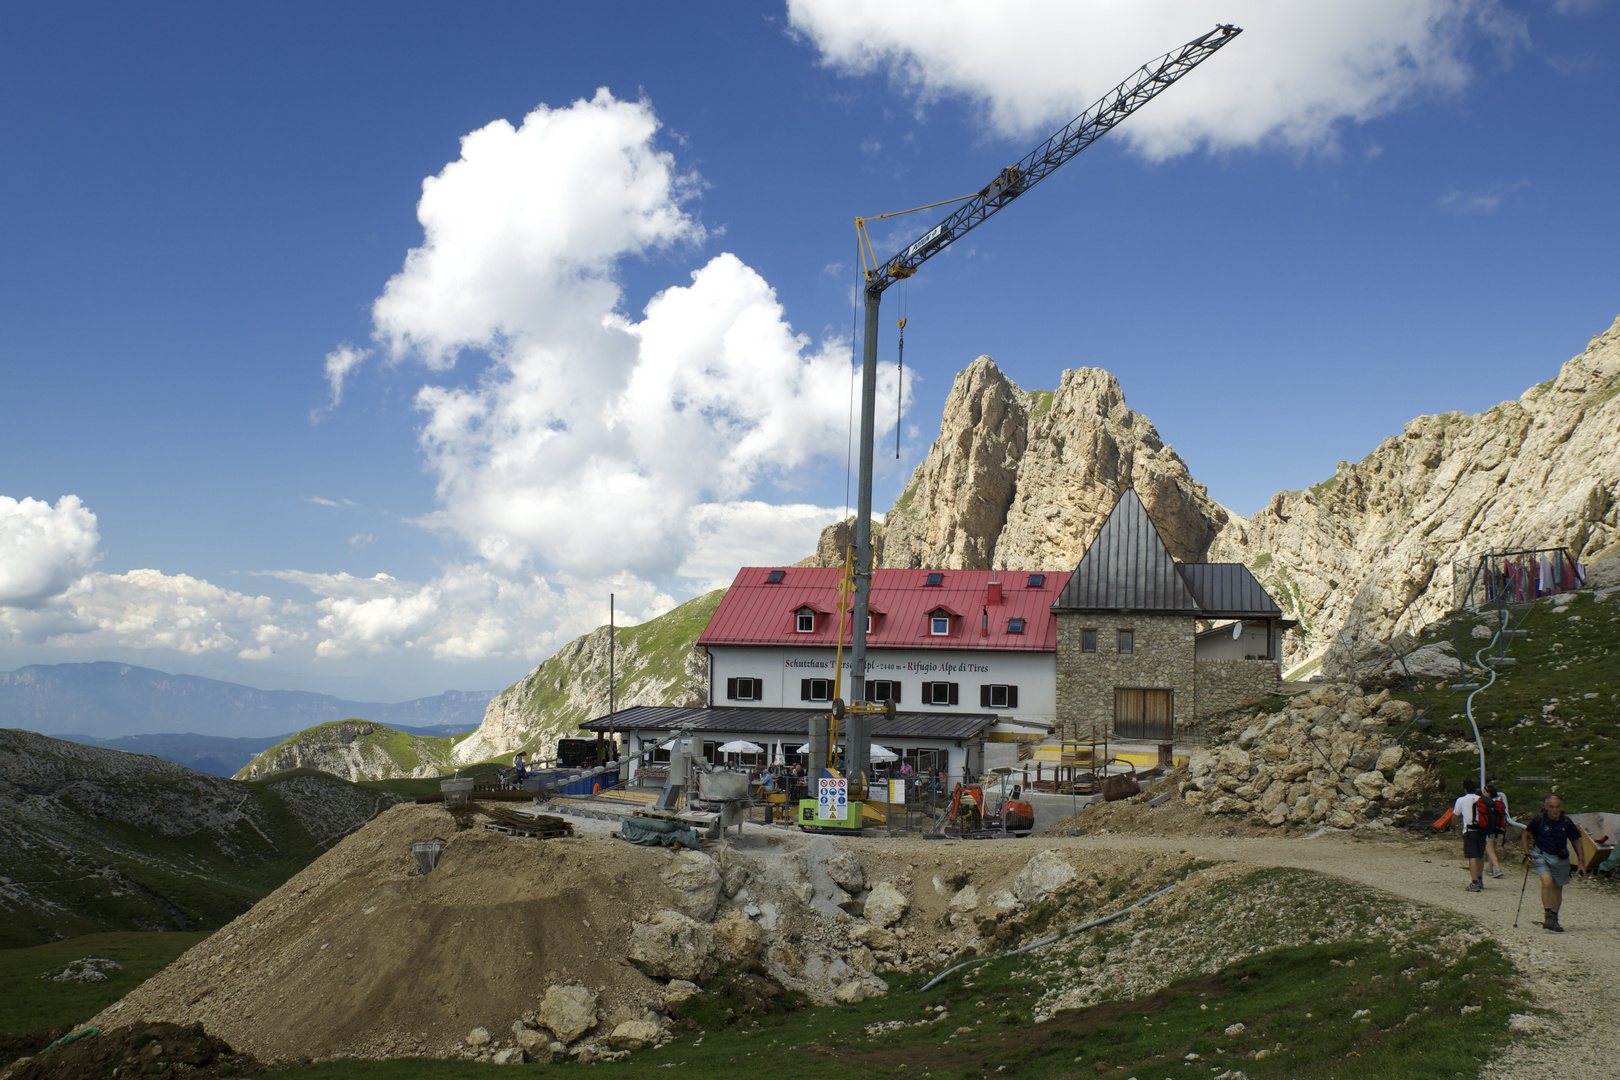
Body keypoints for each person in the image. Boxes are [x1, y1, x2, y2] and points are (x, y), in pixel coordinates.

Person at [1522, 795, 1588, 932]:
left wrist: (1581, 862)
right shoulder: (1539, 819)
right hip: (1541, 855)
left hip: (1560, 858)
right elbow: (1525, 835)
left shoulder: (1566, 822)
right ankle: (1548, 917)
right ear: (1546, 808)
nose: (1555, 810)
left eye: (1557, 807)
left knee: (1558, 887)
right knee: (1547, 882)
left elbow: (1577, 840)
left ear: (1561, 807)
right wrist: (1527, 854)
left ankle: (1554, 918)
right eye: (1551, 807)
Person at [1453, 779, 1486, 892]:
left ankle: (1474, 882)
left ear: (1465, 789)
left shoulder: (1461, 800)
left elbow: (1455, 815)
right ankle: (1480, 879)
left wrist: (1453, 826)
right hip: (1482, 830)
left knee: (1472, 856)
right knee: (1480, 855)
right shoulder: (1481, 799)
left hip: (1469, 830)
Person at [1481, 783, 1509, 878]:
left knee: (1489, 850)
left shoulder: (1488, 803)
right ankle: (1489, 868)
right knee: (1493, 849)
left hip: (1489, 829)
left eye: (1484, 792)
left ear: (1489, 793)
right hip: (1499, 829)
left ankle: (1497, 869)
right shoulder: (1499, 802)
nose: (1483, 794)